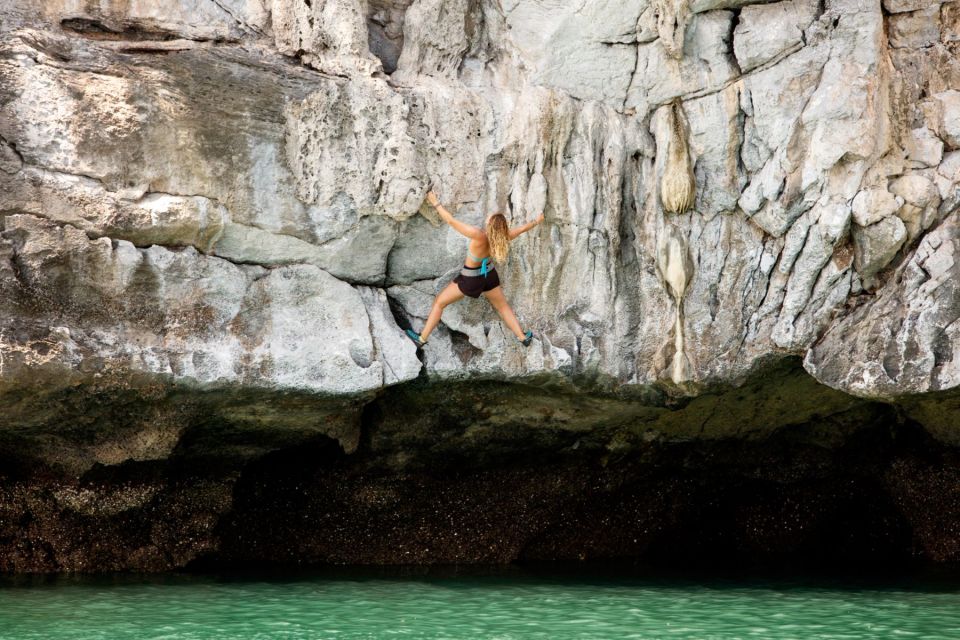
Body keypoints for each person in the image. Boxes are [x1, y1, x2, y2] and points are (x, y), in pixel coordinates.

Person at [405, 188, 544, 348]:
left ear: (490, 224)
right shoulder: (503, 237)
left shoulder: (478, 235)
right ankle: (522, 337)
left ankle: (421, 338)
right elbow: (521, 230)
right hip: (489, 276)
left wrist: (435, 202)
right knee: (502, 306)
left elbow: (451, 221)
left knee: (439, 303)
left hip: (471, 279)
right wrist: (537, 221)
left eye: (489, 218)